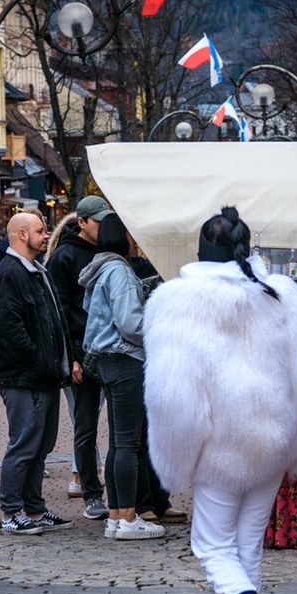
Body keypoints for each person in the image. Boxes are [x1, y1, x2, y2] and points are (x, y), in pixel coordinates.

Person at [144, 206, 297, 594]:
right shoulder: (280, 295)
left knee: (210, 545)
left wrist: (174, 460)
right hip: (272, 440)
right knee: (245, 547)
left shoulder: (177, 301)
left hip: (221, 446)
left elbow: (171, 396)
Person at [80, 213, 171, 535]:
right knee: (128, 442)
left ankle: (118, 516)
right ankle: (128, 516)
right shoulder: (118, 270)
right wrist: (158, 328)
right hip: (125, 359)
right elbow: (130, 322)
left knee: (119, 442)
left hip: (109, 360)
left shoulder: (103, 269)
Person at [0, 211, 73, 535]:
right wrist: (40, 361)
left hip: (43, 375)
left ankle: (34, 507)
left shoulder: (36, 270)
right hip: (25, 377)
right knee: (24, 443)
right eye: (39, 230)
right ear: (22, 235)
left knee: (41, 445)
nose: (46, 233)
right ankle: (11, 510)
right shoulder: (10, 273)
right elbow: (10, 328)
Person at [47, 197, 109, 505]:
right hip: (81, 349)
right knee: (84, 422)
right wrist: (70, 355)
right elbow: (60, 310)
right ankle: (86, 484)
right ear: (82, 222)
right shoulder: (64, 257)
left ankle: (93, 480)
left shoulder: (108, 250)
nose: (102, 225)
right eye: (97, 220)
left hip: (107, 347)